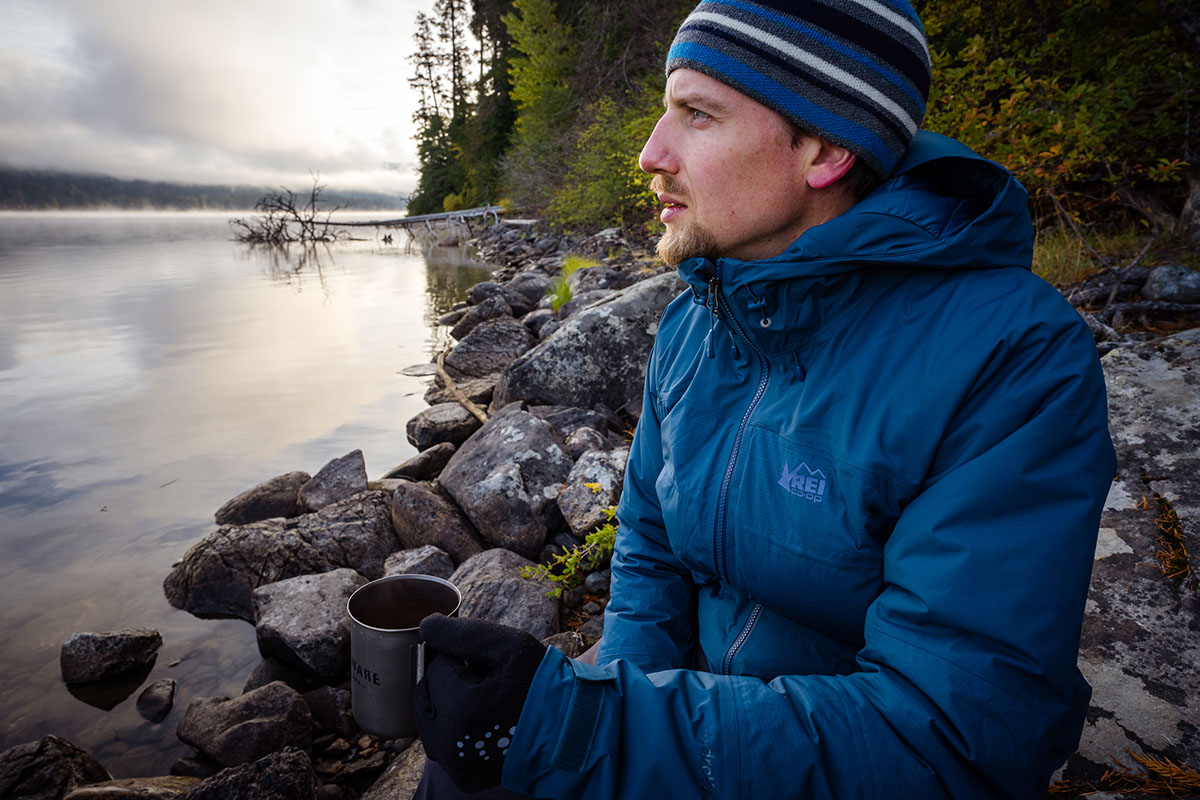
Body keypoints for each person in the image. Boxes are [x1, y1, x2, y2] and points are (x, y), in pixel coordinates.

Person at [412, 1, 1117, 797]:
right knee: (462, 777)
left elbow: (956, 736)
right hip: (710, 716)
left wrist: (594, 728)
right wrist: (616, 692)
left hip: (859, 759)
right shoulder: (695, 321)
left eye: (698, 116)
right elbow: (649, 540)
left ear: (825, 150)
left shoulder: (1012, 359)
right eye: (662, 111)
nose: (651, 153)